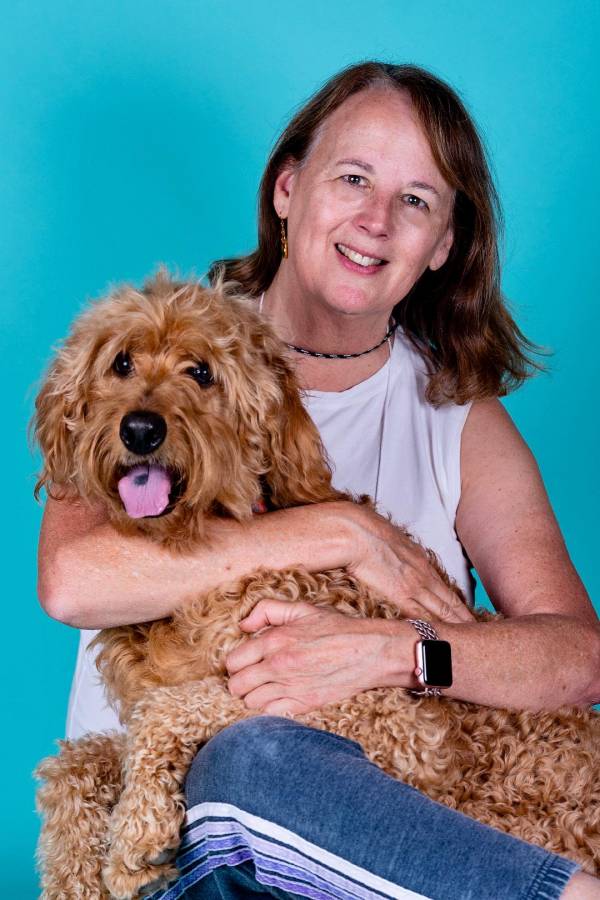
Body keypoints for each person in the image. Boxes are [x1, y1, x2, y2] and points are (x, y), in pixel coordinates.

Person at [37, 62, 600, 898]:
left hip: (374, 849)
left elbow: (576, 658)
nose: (375, 219)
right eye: (353, 178)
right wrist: (339, 532)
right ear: (289, 188)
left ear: (444, 243)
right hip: (174, 841)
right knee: (251, 756)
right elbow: (74, 580)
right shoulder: (148, 355)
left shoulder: (459, 421)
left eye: (415, 200)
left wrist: (393, 651)